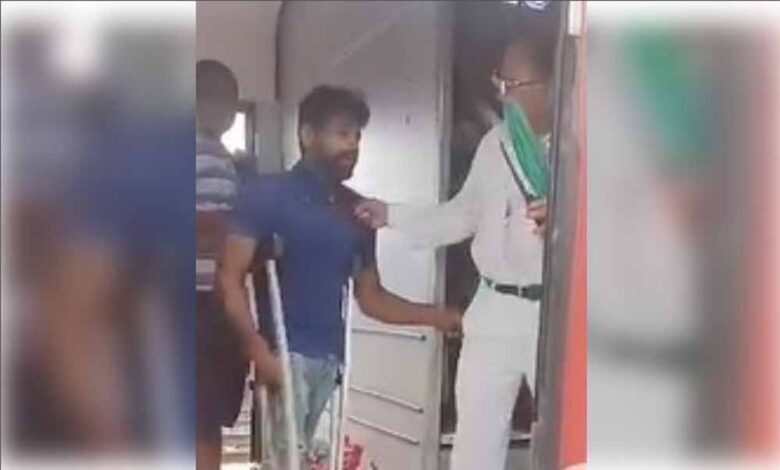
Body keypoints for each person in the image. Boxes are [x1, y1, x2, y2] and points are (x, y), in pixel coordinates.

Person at [217, 85, 462, 465]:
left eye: (357, 136)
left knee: (322, 460)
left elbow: (372, 298)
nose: (352, 145)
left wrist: (438, 317)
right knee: (286, 461)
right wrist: (256, 349)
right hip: (286, 352)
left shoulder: (355, 212)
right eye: (342, 133)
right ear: (308, 135)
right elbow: (229, 278)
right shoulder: (266, 196)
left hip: (331, 361)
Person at [355, 33, 553, 470]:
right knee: (475, 443)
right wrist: (391, 215)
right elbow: (461, 216)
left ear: (551, 87)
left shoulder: (579, 150)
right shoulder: (496, 144)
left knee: (564, 433)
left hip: (552, 315)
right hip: (493, 307)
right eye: (500, 82)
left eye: (514, 86)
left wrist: (568, 221)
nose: (503, 96)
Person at [195, 59, 264, 470]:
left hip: (211, 298)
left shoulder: (221, 158)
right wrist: (240, 231)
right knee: (202, 415)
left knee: (205, 413)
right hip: (198, 298)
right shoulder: (197, 153)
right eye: (225, 101)